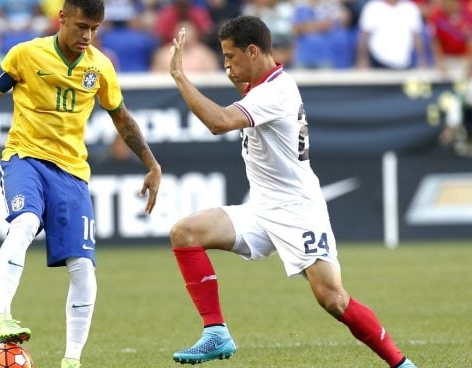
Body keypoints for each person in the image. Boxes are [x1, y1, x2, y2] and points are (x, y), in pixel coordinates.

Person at [167, 16, 417, 367]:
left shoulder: (275, 92)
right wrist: (238, 76)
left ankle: (401, 363)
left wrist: (180, 77)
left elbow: (219, 122)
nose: (226, 65)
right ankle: (216, 333)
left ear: (252, 51)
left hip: (298, 210)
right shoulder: (261, 86)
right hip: (261, 208)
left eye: (230, 56)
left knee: (333, 299)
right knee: (185, 232)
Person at [0, 1, 162, 368]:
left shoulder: (100, 67)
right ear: (63, 18)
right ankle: (0, 318)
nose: (88, 36)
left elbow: (122, 119)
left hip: (72, 172)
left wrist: (151, 163)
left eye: (95, 29)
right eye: (82, 26)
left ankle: (71, 360)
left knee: (83, 267)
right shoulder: (26, 55)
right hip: (25, 158)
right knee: (24, 223)